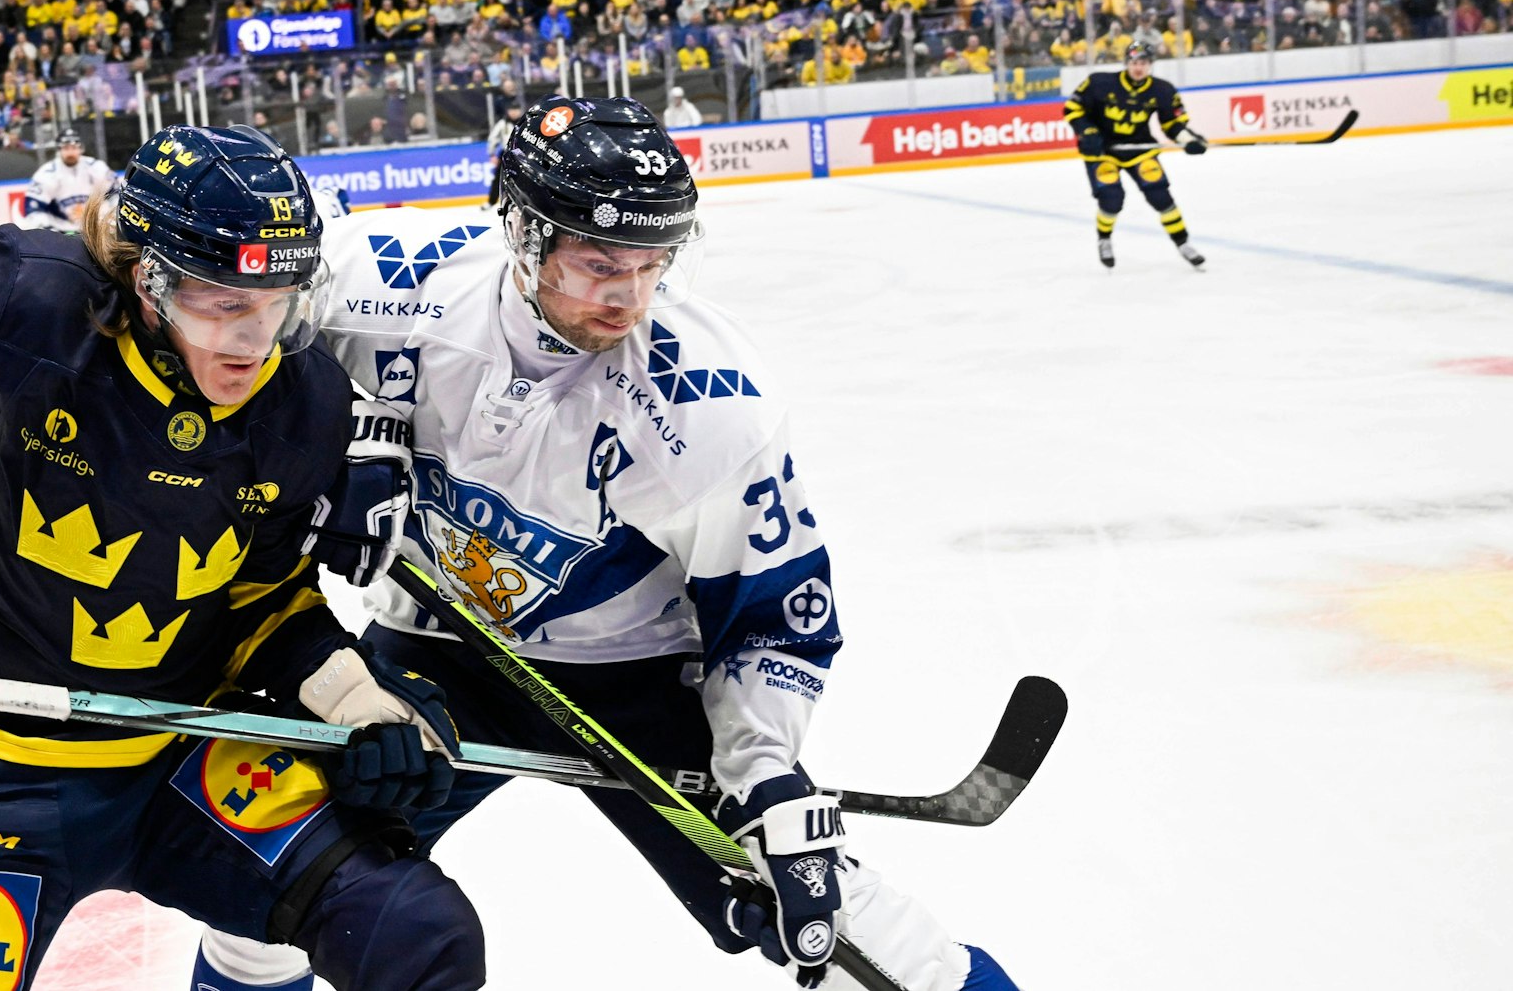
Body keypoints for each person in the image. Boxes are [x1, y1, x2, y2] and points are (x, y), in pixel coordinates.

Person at [192, 98, 1019, 990]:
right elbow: (232, 325)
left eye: (652, 262)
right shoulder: (386, 283)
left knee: (821, 908)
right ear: (522, 231)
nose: (628, 293)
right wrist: (340, 423)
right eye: (598, 262)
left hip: (636, 674)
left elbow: (773, 617)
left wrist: (766, 770)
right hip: (439, 651)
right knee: (271, 889)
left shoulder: (710, 407)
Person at [0, 124, 486, 991]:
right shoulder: (17, 299)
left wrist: (360, 702)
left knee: (416, 935)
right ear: (146, 278)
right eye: (221, 301)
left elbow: (264, 600)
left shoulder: (305, 399)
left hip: (182, 758)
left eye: (278, 304)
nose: (252, 341)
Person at [1063, 40, 1208, 269]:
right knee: (1111, 199)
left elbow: (1173, 124)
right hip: (1102, 150)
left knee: (1160, 196)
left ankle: (1183, 244)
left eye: (1143, 62)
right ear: (1126, 63)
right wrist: (1087, 132)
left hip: (1139, 150)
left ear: (1150, 64)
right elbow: (1073, 109)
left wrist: (1188, 140)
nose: (1138, 67)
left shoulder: (1162, 90)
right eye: (1133, 62)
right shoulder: (1100, 83)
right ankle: (1104, 239)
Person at [21, 130, 115, 233]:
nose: (70, 153)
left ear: (80, 149)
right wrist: (50, 232)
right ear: (59, 150)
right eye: (66, 148)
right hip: (61, 232)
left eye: (74, 148)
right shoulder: (46, 174)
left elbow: (116, 194)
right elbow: (33, 208)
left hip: (94, 230)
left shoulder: (97, 167)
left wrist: (111, 219)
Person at [483, 102, 523, 207]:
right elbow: (493, 138)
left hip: (522, 153)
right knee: (498, 178)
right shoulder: (503, 123)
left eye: (516, 109)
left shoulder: (524, 122)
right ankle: (491, 201)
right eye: (511, 110)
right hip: (506, 153)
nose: (514, 112)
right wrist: (492, 154)